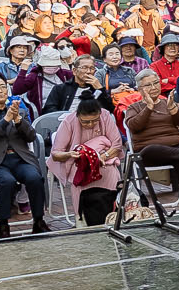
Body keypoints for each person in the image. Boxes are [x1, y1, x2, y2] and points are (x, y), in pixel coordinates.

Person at [0, 74, 51, 234]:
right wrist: (5, 120)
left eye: (3, 86)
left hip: (19, 159)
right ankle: (3, 224)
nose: (0, 90)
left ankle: (39, 220)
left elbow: (31, 136)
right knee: (6, 181)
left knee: (34, 178)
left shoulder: (19, 110)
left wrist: (19, 120)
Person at [48, 87, 125, 226]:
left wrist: (104, 156)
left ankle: (112, 214)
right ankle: (81, 219)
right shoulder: (69, 121)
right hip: (77, 162)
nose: (90, 124)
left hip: (104, 160)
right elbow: (56, 153)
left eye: (94, 120)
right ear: (78, 115)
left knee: (110, 171)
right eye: (85, 122)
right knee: (82, 172)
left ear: (99, 114)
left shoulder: (106, 116)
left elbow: (117, 144)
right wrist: (70, 154)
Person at [121, 69, 179, 211]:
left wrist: (173, 109)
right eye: (148, 85)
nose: (153, 88)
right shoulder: (134, 107)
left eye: (155, 83)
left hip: (174, 149)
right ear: (139, 89)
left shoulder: (168, 102)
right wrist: (148, 107)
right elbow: (134, 127)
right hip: (149, 153)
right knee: (154, 148)